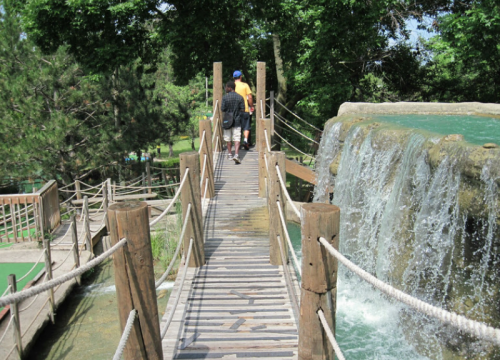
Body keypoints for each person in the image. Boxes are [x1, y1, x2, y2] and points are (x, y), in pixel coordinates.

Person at [221, 80, 245, 164]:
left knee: (228, 138)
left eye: (226, 87)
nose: (225, 88)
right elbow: (242, 108)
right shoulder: (240, 97)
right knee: (237, 137)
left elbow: (222, 109)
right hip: (237, 120)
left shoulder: (225, 97)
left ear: (230, 88)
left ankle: (230, 154)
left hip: (227, 119)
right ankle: (237, 154)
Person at [233, 70, 254, 150]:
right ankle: (245, 140)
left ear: (233, 77)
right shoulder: (245, 85)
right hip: (244, 109)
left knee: (237, 127)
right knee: (246, 126)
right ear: (241, 77)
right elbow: (250, 97)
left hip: (235, 111)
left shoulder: (232, 86)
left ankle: (237, 143)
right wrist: (251, 106)